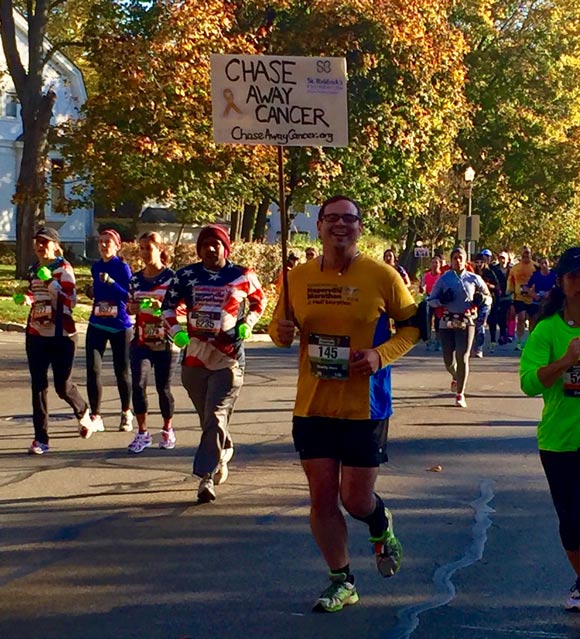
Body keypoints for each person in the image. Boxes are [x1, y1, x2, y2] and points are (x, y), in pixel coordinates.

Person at [268, 195, 420, 613]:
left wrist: (378, 356)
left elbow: (413, 328)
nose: (340, 225)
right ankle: (342, 580)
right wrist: (279, 330)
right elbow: (281, 329)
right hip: (313, 404)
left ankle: (379, 523)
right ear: (318, 226)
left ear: (359, 227)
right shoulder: (296, 277)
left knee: (355, 499)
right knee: (321, 498)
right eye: (331, 218)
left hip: (364, 406)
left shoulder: (382, 275)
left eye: (349, 219)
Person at [162, 225, 267, 502]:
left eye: (216, 245)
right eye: (205, 245)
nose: (210, 249)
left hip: (228, 358)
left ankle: (204, 478)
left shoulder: (242, 275)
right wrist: (176, 332)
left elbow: (259, 301)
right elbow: (167, 307)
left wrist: (247, 325)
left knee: (216, 416)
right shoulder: (186, 275)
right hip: (195, 357)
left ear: (225, 248)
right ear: (198, 250)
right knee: (208, 419)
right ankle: (224, 446)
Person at [520, 247, 580, 611]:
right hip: (561, 440)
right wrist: (566, 361)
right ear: (561, 282)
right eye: (575, 277)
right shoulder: (547, 330)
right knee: (573, 520)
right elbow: (529, 383)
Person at [21, 227, 94, 454]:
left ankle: (82, 410)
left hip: (62, 335)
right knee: (38, 386)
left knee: (63, 386)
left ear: (55, 245)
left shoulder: (64, 269)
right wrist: (26, 297)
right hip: (36, 334)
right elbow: (35, 293)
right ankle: (41, 439)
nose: (40, 247)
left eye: (45, 242)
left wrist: (51, 283)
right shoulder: (34, 269)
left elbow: (70, 302)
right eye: (38, 243)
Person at [126, 232, 179, 453]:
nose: (145, 252)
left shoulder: (171, 278)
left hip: (165, 341)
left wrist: (161, 307)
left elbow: (183, 306)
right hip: (141, 341)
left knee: (163, 388)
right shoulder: (136, 279)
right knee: (138, 385)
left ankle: (167, 429)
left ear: (160, 249)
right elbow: (129, 306)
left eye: (149, 248)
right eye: (142, 248)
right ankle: (143, 432)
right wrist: (135, 308)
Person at [428, 246, 491, 408]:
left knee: (462, 357)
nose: (457, 260)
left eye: (460, 257)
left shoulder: (474, 278)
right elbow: (431, 300)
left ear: (465, 259)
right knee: (448, 359)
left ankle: (460, 394)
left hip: (467, 322)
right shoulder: (443, 279)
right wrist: (441, 300)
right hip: (447, 322)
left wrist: (482, 300)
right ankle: (456, 376)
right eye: (455, 257)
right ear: (451, 260)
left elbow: (489, 298)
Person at [85, 229, 133, 433]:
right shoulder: (96, 267)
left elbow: (128, 296)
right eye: (101, 242)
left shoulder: (122, 267)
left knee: (121, 371)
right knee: (93, 369)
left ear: (117, 246)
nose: (104, 245)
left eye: (108, 242)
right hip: (97, 322)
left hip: (120, 325)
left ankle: (126, 412)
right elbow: (98, 293)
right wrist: (92, 291)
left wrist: (111, 282)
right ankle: (95, 415)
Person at [507, 246, 538, 351]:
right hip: (519, 297)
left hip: (533, 298)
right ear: (521, 254)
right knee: (521, 317)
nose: (526, 255)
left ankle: (532, 341)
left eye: (528, 253)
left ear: (531, 254)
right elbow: (510, 280)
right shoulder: (515, 268)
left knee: (532, 320)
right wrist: (509, 289)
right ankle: (519, 341)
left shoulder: (535, 267)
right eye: (524, 253)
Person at [472, 253, 499, 357]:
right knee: (472, 324)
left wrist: (488, 285)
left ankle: (479, 348)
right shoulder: (471, 272)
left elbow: (497, 286)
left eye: (481, 262)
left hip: (486, 301)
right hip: (473, 301)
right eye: (477, 262)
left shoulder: (489, 272)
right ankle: (471, 345)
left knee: (480, 323)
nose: (479, 264)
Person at [419, 256, 442, 351]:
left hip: (439, 300)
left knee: (438, 321)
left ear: (440, 264)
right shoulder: (426, 275)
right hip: (429, 298)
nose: (435, 265)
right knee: (427, 320)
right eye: (433, 262)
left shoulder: (442, 276)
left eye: (436, 263)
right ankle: (428, 340)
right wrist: (422, 288)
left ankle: (438, 341)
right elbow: (422, 289)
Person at [527, 256, 557, 330]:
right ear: (539, 265)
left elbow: (558, 287)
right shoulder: (535, 275)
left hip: (549, 302)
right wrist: (533, 294)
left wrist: (550, 292)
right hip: (536, 301)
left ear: (549, 264)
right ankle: (532, 335)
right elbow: (525, 287)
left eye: (545, 263)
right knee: (533, 319)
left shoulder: (553, 275)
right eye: (542, 263)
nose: (544, 265)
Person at [490, 251, 512, 345]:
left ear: (507, 259)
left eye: (504, 258)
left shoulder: (512, 269)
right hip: (498, 295)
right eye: (500, 258)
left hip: (509, 295)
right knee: (500, 316)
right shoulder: (495, 269)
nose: (502, 260)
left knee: (506, 314)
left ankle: (504, 334)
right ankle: (503, 334)